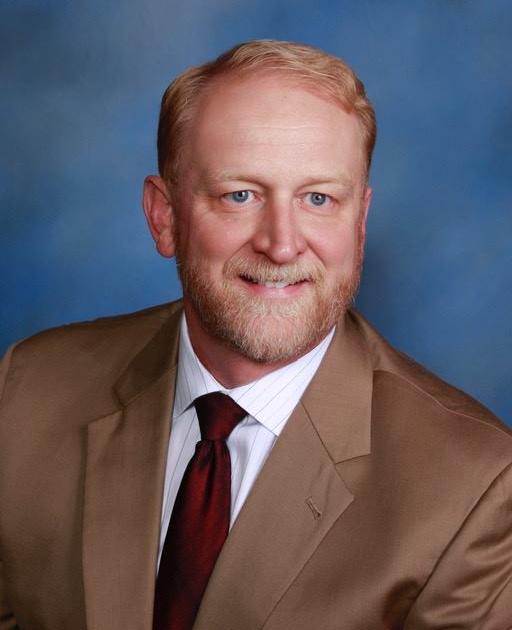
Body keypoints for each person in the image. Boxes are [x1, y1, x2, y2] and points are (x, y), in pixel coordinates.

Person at [0, 40, 511, 630]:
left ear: (360, 222)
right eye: (239, 195)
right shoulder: (26, 390)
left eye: (319, 198)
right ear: (164, 216)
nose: (282, 243)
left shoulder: (474, 485)